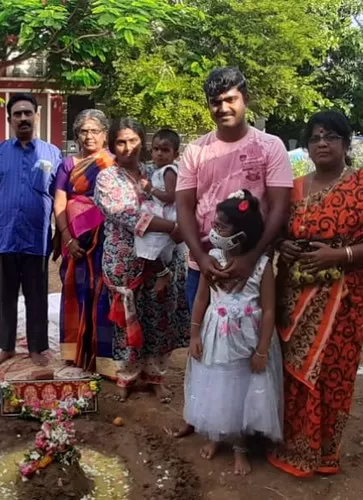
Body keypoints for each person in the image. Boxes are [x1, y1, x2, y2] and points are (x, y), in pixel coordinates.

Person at [267, 111, 363, 477]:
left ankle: (322, 450)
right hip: (293, 295)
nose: (322, 144)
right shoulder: (294, 187)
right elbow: (278, 232)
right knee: (290, 368)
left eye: (331, 137)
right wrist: (284, 245)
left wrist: (340, 255)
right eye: (315, 138)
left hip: (343, 298)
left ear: (345, 143)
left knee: (331, 372)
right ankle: (288, 441)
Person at [183, 189, 283, 476]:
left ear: (242, 234)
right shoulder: (212, 258)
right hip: (216, 337)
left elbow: (269, 310)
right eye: (214, 224)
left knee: (242, 389)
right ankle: (216, 435)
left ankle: (240, 446)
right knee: (216, 383)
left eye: (221, 227)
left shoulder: (261, 266)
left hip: (248, 340)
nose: (214, 230)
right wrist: (195, 335)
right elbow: (201, 299)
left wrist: (262, 350)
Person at [175, 67, 293, 308]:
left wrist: (251, 257)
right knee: (202, 331)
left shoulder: (271, 146)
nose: (223, 108)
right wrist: (202, 258)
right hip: (204, 269)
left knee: (254, 331)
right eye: (215, 102)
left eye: (230, 99)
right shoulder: (195, 151)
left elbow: (279, 207)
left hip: (255, 268)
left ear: (245, 98)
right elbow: (184, 208)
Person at [94, 117, 191, 402]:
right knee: (127, 321)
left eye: (133, 140)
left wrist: (178, 227)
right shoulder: (107, 178)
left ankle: (155, 376)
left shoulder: (156, 171)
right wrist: (172, 227)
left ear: (142, 142)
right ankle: (127, 376)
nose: (128, 148)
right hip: (125, 260)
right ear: (112, 146)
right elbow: (126, 216)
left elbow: (176, 200)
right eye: (121, 142)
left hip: (162, 260)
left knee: (160, 318)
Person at [0, 93, 63, 366]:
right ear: (9, 119)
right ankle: (6, 346)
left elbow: (60, 197)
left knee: (37, 296)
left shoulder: (53, 154)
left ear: (37, 116)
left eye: (28, 113)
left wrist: (60, 234)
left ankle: (37, 348)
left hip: (37, 238)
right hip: (4, 237)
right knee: (7, 296)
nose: (23, 118)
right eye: (17, 114)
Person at [54, 109, 116, 376]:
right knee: (76, 292)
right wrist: (67, 239)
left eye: (95, 131)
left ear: (105, 135)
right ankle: (75, 353)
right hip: (75, 241)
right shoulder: (68, 165)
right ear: (76, 135)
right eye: (83, 131)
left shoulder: (112, 163)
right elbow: (60, 203)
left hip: (106, 240)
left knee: (103, 295)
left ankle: (104, 358)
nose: (89, 136)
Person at [137, 129, 182, 295]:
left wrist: (150, 189)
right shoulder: (156, 170)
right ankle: (162, 272)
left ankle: (163, 274)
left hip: (166, 213)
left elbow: (170, 196)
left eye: (165, 150)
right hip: (160, 210)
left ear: (175, 154)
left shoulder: (169, 171)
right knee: (146, 245)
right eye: (156, 149)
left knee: (146, 244)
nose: (159, 154)